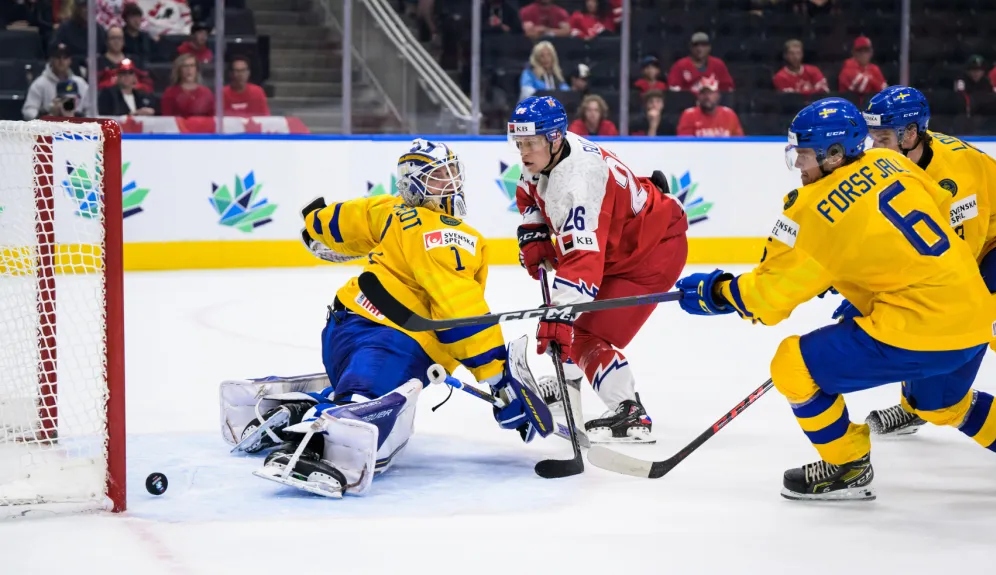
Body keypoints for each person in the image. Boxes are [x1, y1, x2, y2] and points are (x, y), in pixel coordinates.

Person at [676, 97, 996, 500]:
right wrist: (864, 276)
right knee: (941, 402)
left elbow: (768, 301)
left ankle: (848, 466)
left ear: (835, 154)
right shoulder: (892, 163)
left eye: (804, 155)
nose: (798, 166)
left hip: (920, 327)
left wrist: (716, 292)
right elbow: (937, 215)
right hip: (975, 315)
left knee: (792, 364)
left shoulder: (810, 212)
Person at [220, 140, 552, 497]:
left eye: (452, 172)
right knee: (372, 420)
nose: (451, 182)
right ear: (415, 183)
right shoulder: (451, 235)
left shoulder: (391, 209)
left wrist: (316, 223)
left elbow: (348, 218)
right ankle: (311, 445)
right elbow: (459, 307)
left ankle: (308, 406)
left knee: (366, 394)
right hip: (390, 342)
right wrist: (498, 378)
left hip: (341, 329)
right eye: (439, 176)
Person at [854, 88, 996, 457]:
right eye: (872, 137)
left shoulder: (955, 177)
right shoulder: (894, 163)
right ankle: (915, 405)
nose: (873, 147)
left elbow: (960, 260)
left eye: (882, 138)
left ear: (911, 134)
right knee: (917, 313)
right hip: (973, 240)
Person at [509, 95, 690, 443]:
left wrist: (559, 315)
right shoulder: (547, 155)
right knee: (573, 320)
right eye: (519, 143)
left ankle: (628, 410)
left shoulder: (577, 184)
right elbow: (529, 190)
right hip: (620, 242)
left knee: (581, 333)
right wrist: (535, 230)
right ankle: (567, 382)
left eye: (530, 143)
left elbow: (583, 263)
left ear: (555, 138)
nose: (523, 152)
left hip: (651, 251)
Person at [22, 43, 89, 120]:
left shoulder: (80, 83)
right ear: (51, 59)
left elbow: (91, 111)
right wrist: (48, 114)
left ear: (70, 60)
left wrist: (79, 118)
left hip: (77, 124)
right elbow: (28, 111)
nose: (61, 61)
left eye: (65, 58)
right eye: (58, 57)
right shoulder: (40, 83)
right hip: (49, 125)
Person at [667, 32, 735, 94]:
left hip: (714, 102)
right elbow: (674, 89)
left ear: (709, 47)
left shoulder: (718, 64)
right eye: (696, 45)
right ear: (690, 48)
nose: (699, 49)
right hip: (688, 102)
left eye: (703, 45)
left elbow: (728, 88)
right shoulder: (680, 65)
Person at [676, 78, 743, 137]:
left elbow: (739, 142)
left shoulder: (729, 115)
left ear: (718, 95)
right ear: (698, 96)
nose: (707, 97)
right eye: (703, 93)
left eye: (710, 93)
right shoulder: (689, 115)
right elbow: (685, 143)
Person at [160, 53, 214, 117]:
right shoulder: (170, 93)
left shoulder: (206, 92)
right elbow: (167, 118)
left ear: (196, 69)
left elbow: (212, 117)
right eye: (185, 66)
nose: (189, 69)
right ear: (179, 70)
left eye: (192, 65)